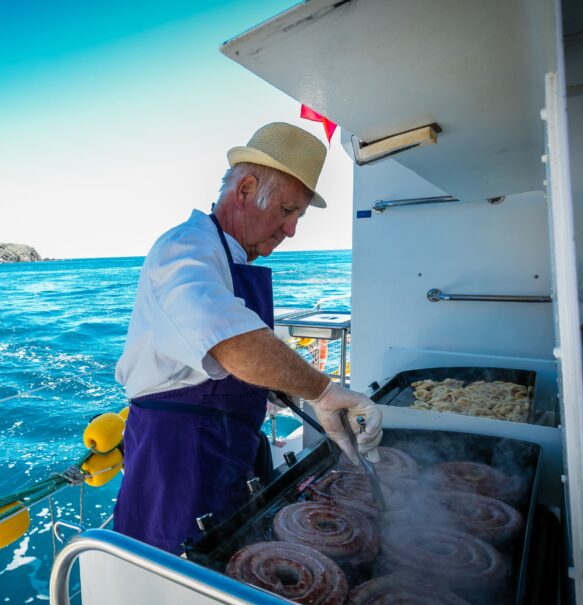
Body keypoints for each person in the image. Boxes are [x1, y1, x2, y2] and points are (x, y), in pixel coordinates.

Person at [113, 122, 383, 553]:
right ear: (245, 190)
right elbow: (233, 344)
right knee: (183, 571)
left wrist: (278, 389)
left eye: (297, 216)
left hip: (225, 446)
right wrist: (322, 391)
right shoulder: (185, 249)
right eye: (287, 211)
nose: (291, 230)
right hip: (178, 458)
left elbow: (239, 348)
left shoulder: (227, 254)